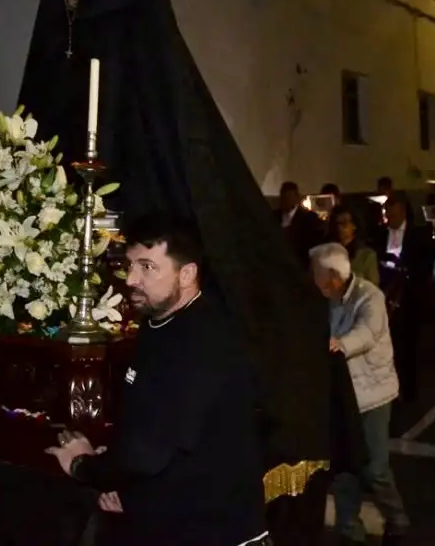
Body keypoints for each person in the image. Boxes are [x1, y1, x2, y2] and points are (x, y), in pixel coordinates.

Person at [18, 0, 331, 524]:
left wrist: (96, 467)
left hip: (132, 111)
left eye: (144, 267)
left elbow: (156, 439)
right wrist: (72, 8)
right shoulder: (165, 329)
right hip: (87, 112)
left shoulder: (198, 336)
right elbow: (62, 50)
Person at [47, 214, 269, 546]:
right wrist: (124, 480)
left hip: (214, 530)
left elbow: (149, 452)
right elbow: (150, 428)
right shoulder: (160, 322)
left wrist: (83, 466)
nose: (132, 279)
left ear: (188, 273)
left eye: (148, 267)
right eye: (130, 265)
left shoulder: (203, 338)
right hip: (174, 520)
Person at [310, 242, 410, 546]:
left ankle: (398, 520)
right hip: (343, 397)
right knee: (344, 465)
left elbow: (367, 332)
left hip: (373, 397)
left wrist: (339, 344)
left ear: (332, 277)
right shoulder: (325, 299)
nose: (310, 279)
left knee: (374, 467)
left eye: (314, 273)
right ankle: (348, 527)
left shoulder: (370, 297)